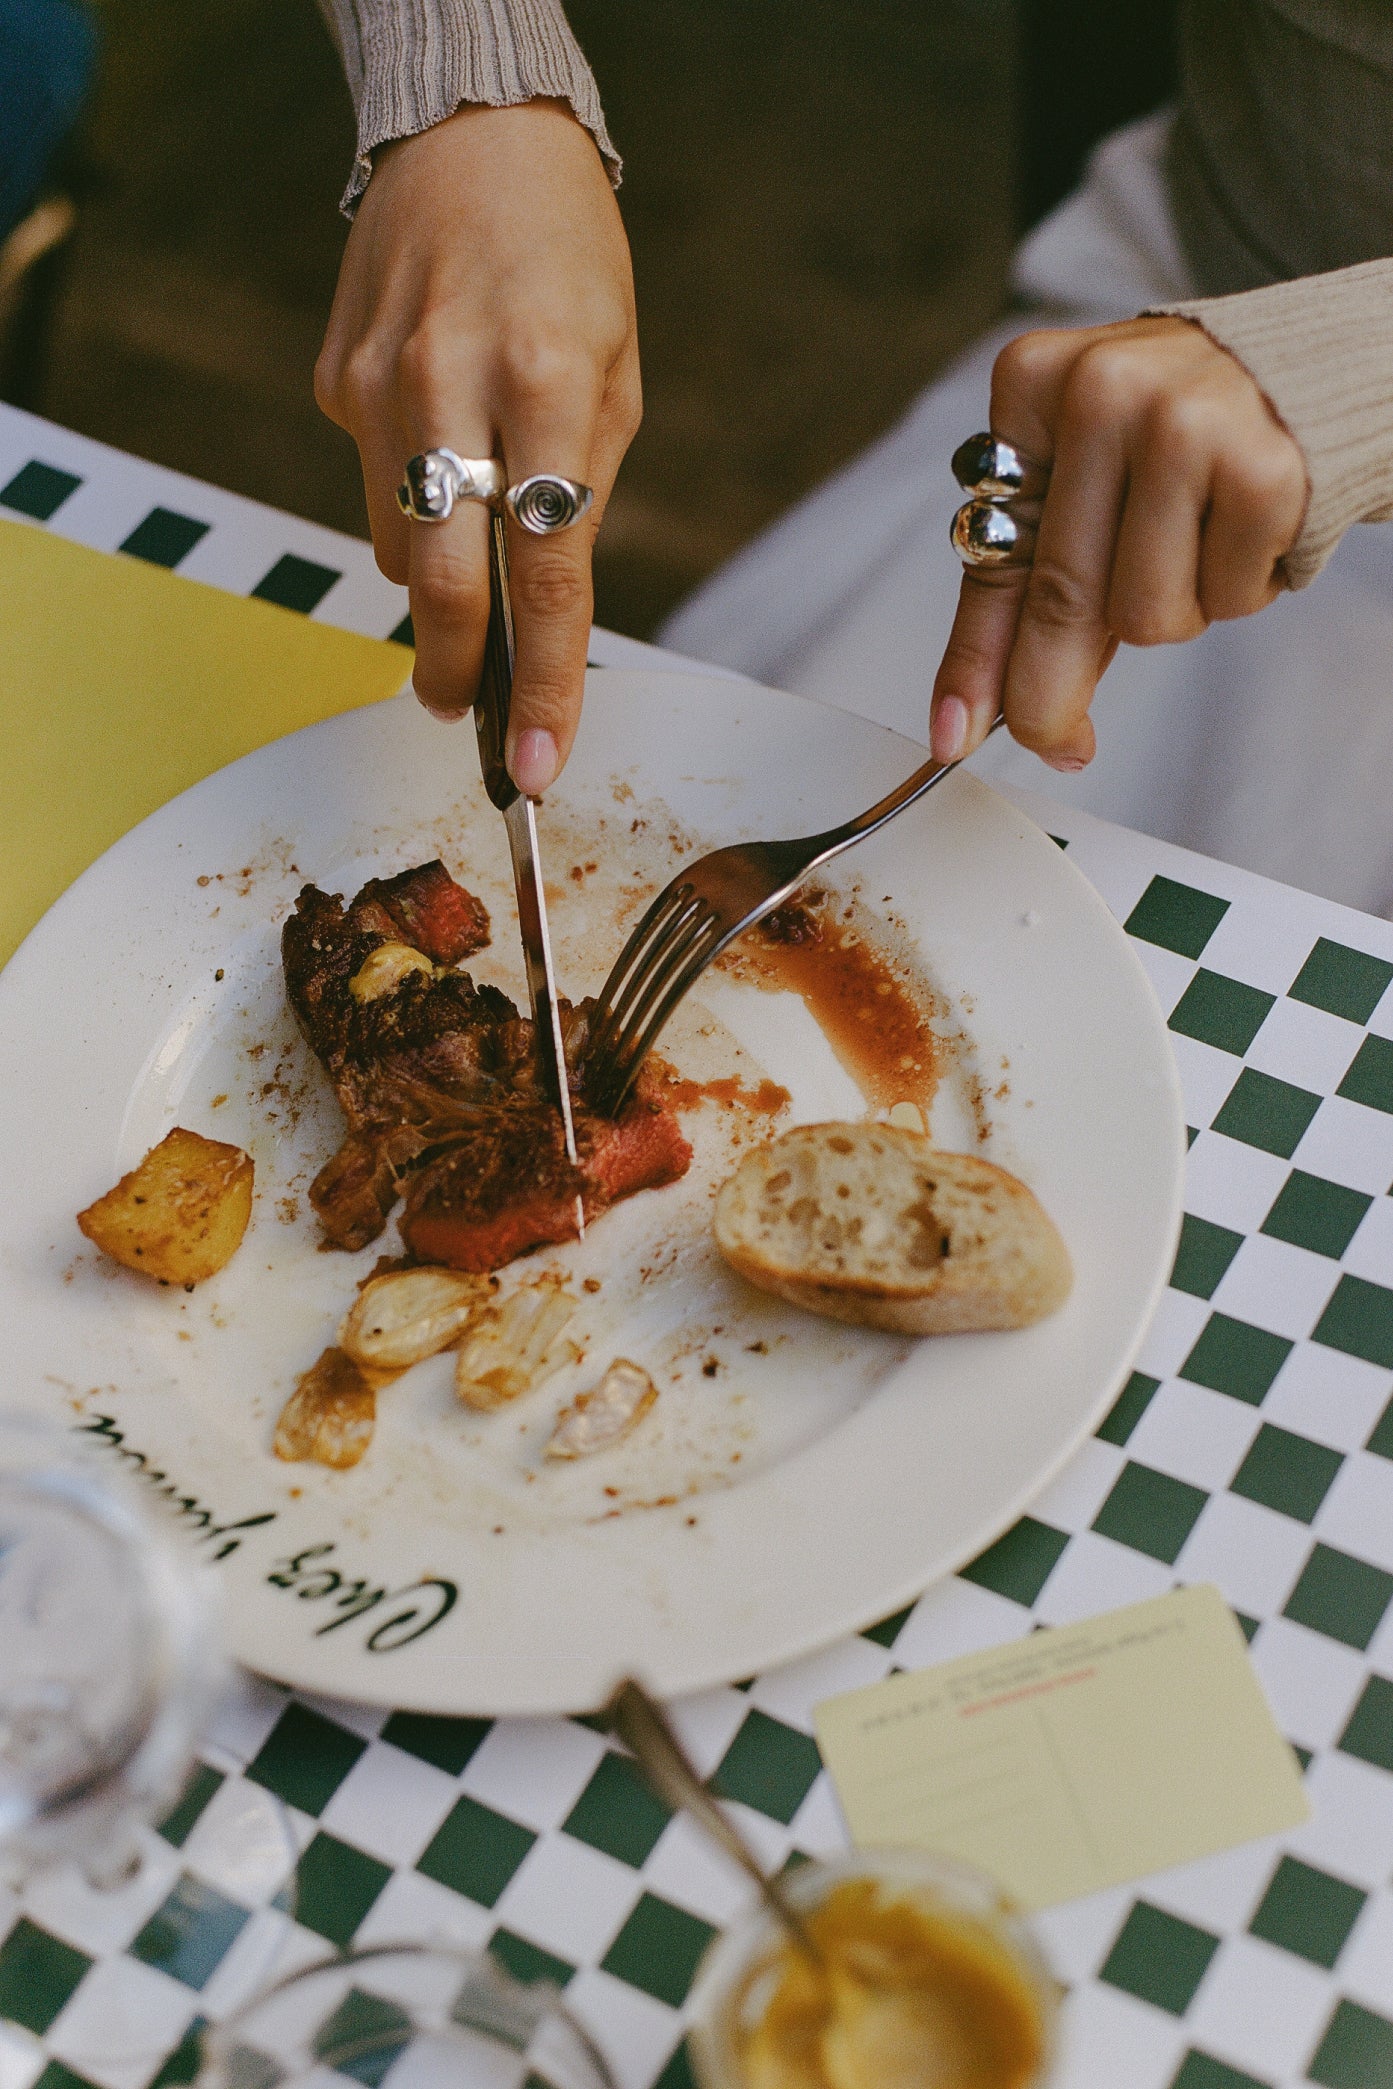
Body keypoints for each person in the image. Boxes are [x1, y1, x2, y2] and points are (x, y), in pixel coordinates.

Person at [313, 1, 1393, 912]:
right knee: (722, 813)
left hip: (1330, 401)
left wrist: (1358, 369)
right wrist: (465, 87)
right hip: (1169, 307)